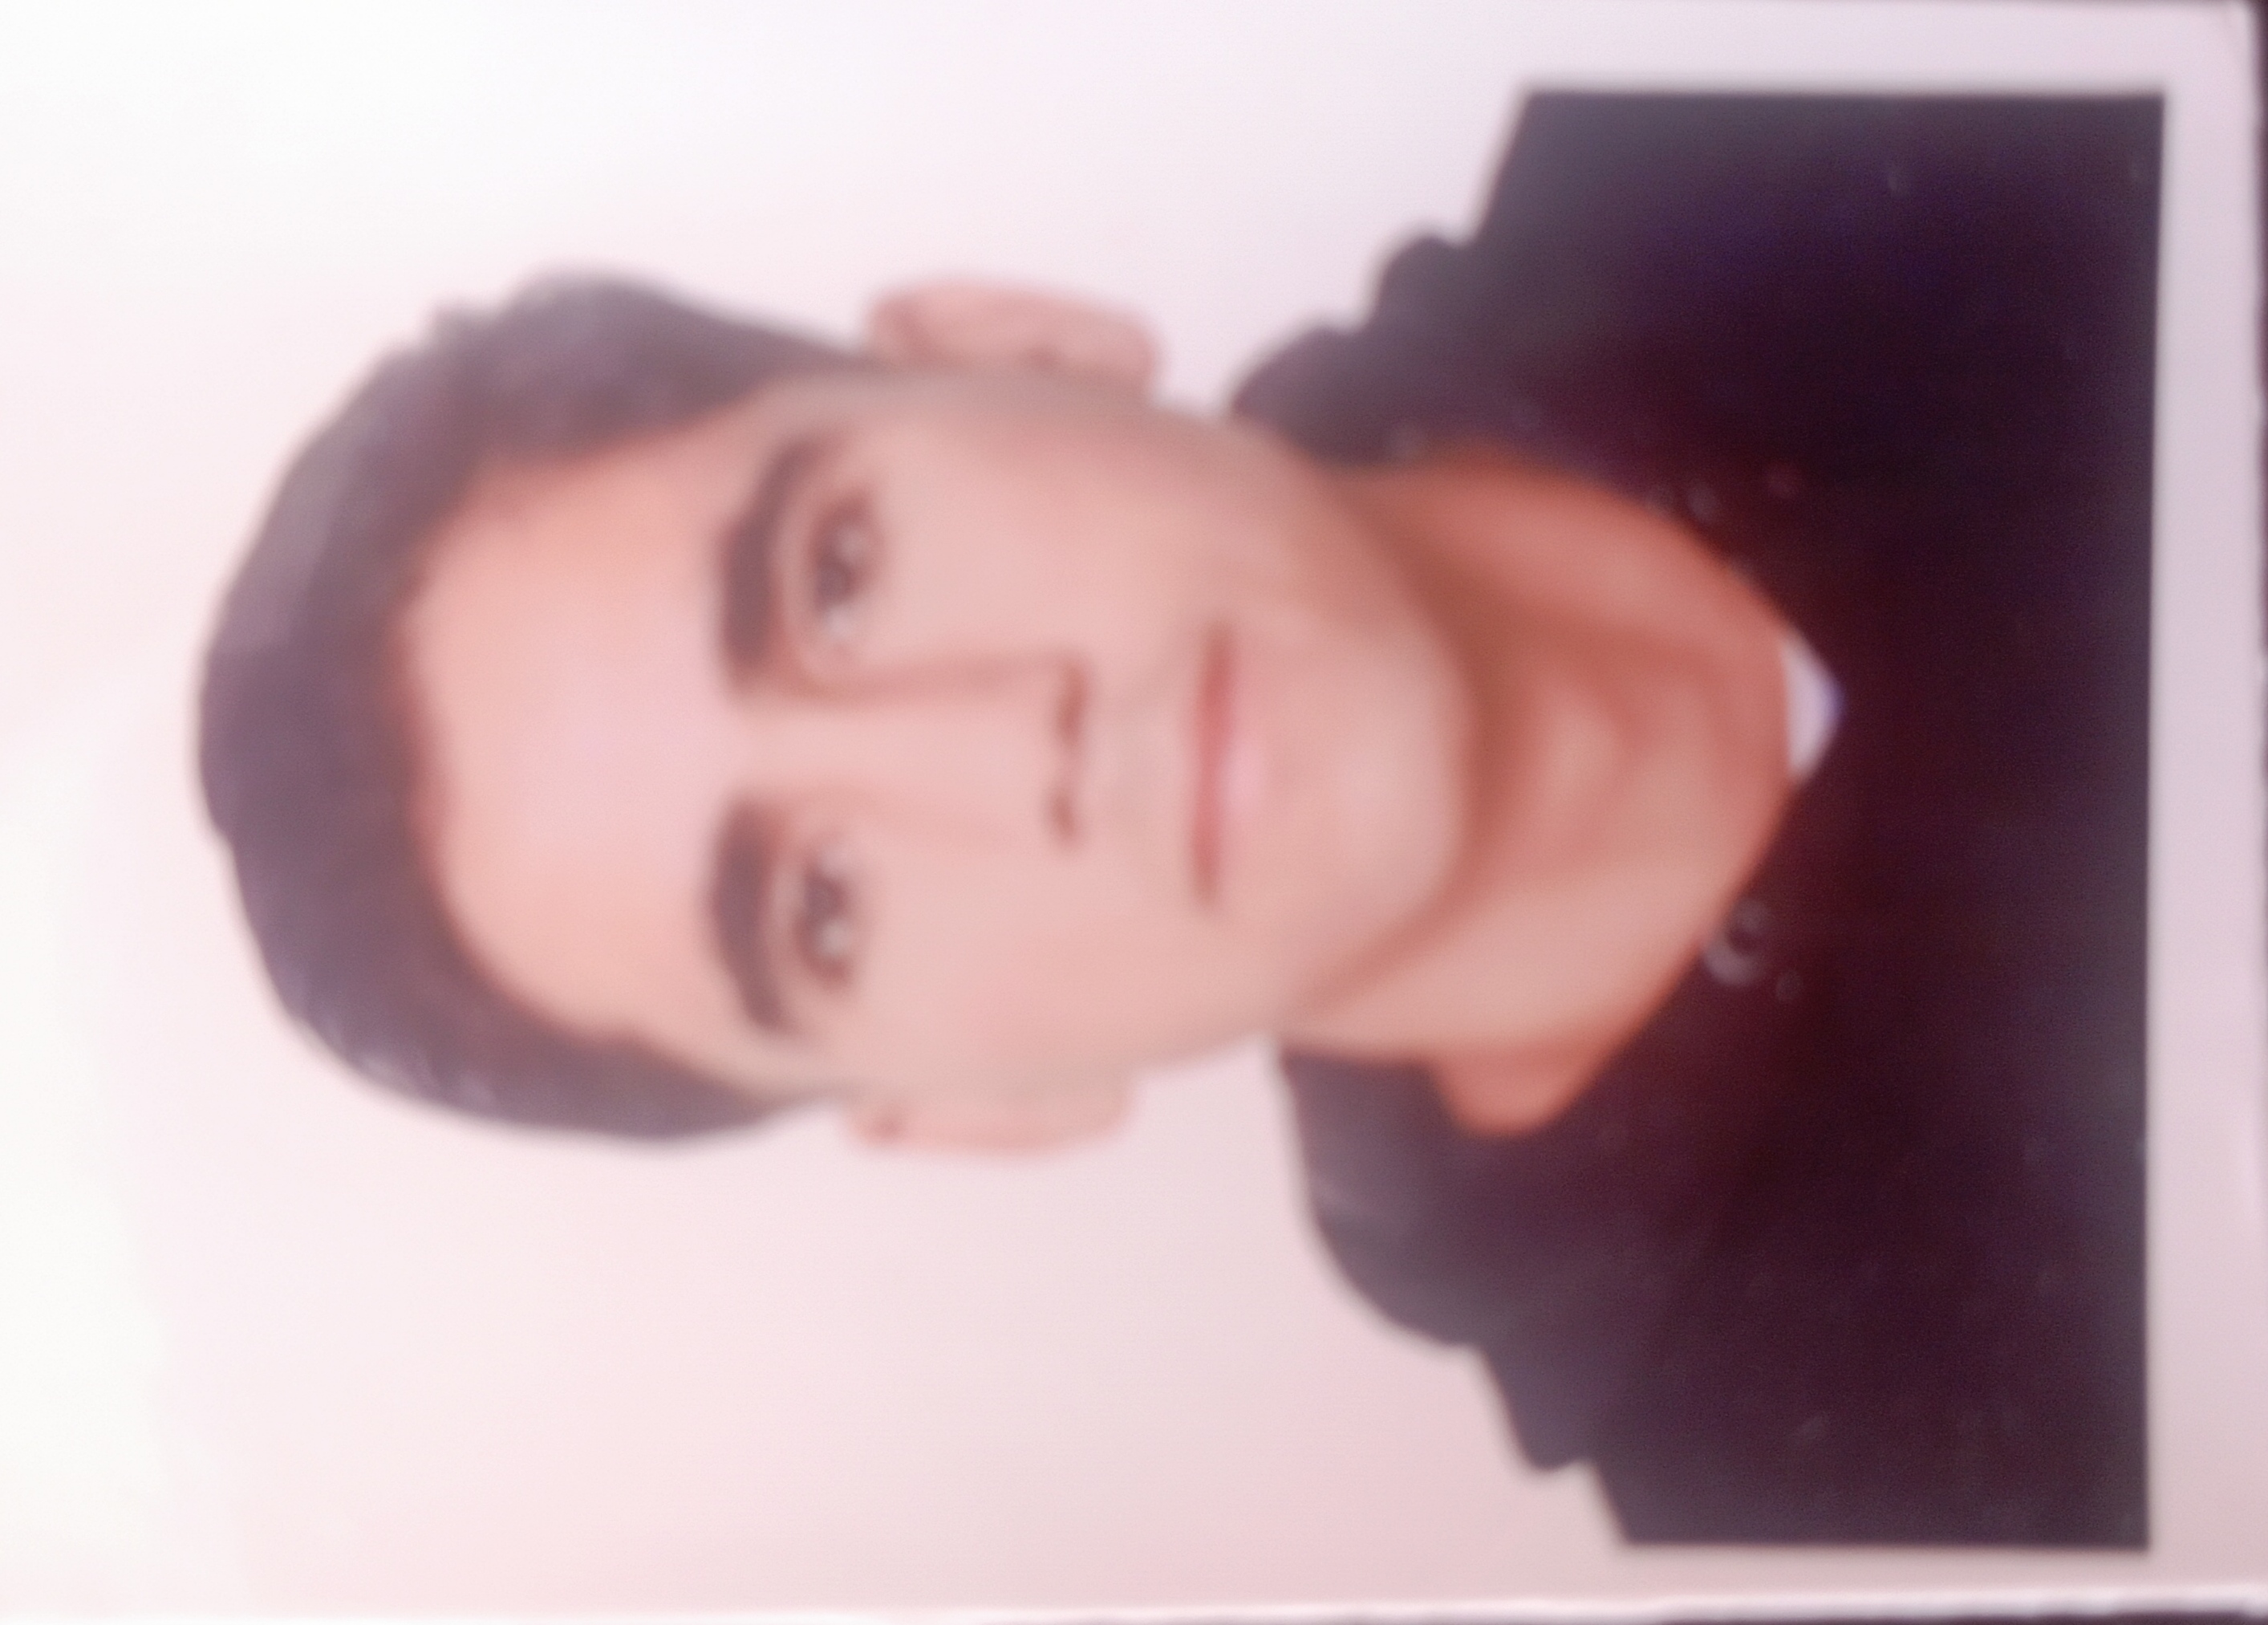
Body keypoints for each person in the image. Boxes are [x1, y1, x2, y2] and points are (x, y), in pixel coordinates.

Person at [199, 92, 2153, 1545]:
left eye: (839, 572)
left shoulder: (1798, 96)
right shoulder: (1863, 1505)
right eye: (823, 905)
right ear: (984, 1108)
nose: (1007, 749)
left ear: (1015, 344)